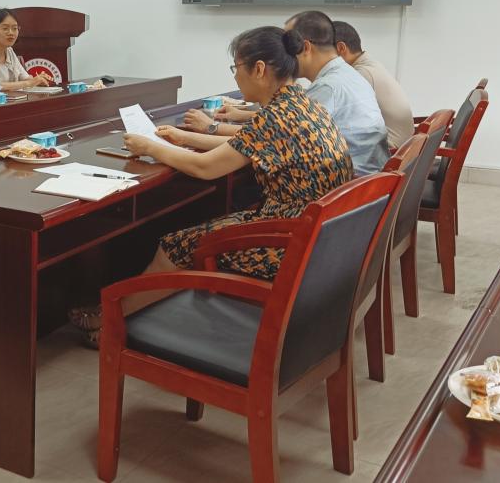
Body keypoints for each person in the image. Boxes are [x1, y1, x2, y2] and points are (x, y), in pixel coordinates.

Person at [68, 27, 353, 343]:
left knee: (176, 245)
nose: (236, 77)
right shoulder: (300, 104)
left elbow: (205, 168)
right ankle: (125, 315)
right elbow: (243, 145)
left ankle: (111, 323)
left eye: (236, 67)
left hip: (284, 240)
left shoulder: (277, 116)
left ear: (259, 69)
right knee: (198, 228)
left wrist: (150, 147)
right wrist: (182, 138)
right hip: (317, 237)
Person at [178, 11, 389, 175]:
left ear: (305, 47)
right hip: (361, 184)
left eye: (289, 44)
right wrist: (243, 115)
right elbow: (277, 129)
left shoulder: (328, 87)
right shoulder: (340, 77)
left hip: (352, 184)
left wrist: (211, 128)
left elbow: (271, 132)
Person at [333, 21, 414, 148]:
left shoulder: (361, 74)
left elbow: (337, 118)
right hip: (404, 149)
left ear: (341, 48)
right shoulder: (369, 65)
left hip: (390, 150)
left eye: (323, 52)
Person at [0, 8, 52, 91]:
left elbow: (25, 78)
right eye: (5, 28)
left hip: (9, 100)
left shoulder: (9, 51)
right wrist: (29, 83)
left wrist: (39, 80)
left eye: (14, 28)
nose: (11, 33)